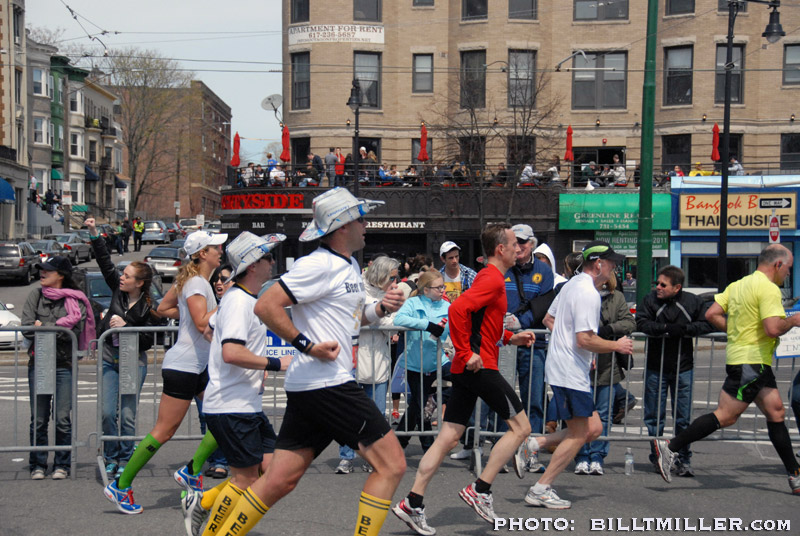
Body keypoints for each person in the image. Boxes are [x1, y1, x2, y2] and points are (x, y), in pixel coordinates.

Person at [210, 187, 407, 536]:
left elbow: (347, 319)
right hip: (327, 384)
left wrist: (379, 309)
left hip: (313, 386)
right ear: (342, 225)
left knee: (279, 481)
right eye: (360, 218)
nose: (366, 224)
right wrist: (307, 346)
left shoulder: (347, 264)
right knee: (392, 465)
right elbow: (266, 304)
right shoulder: (317, 263)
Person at [392, 224, 535, 533]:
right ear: (500, 249)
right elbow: (458, 310)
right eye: (514, 244)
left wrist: (510, 338)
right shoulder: (493, 278)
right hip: (478, 366)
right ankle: (480, 491)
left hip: (469, 365)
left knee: (448, 437)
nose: (518, 249)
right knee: (522, 428)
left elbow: (481, 322)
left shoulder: (489, 277)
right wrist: (466, 352)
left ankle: (412, 503)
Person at [653, 244, 800, 494]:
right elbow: (773, 328)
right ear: (777, 265)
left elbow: (712, 313)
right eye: (788, 269)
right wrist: (794, 320)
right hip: (751, 362)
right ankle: (669, 446)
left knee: (776, 412)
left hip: (750, 360)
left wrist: (735, 332)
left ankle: (795, 475)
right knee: (726, 416)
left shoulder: (739, 284)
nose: (788, 274)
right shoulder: (768, 289)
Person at [104, 230, 228, 514]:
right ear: (202, 254)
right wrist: (229, 306)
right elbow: (200, 323)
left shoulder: (194, 280)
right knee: (164, 431)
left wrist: (190, 312)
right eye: (215, 247)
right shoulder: (196, 282)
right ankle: (120, 486)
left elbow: (162, 308)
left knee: (224, 418)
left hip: (199, 364)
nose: (220, 251)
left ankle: (191, 471)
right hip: (184, 365)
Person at [522, 241, 633, 509]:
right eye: (611, 263)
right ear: (598, 264)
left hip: (566, 368)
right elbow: (584, 339)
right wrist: (617, 345)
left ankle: (533, 444)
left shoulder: (571, 284)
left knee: (593, 429)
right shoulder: (587, 292)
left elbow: (549, 318)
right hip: (570, 372)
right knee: (579, 434)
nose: (614, 268)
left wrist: (563, 342)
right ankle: (540, 488)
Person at [194, 232, 290, 536]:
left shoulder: (245, 299)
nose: (272, 261)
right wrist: (274, 364)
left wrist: (252, 366)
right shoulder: (237, 301)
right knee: (246, 480)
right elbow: (231, 351)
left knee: (270, 471)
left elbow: (211, 330)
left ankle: (205, 500)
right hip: (230, 405)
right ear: (252, 266)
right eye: (267, 257)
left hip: (245, 403)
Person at [86, 217, 158, 480]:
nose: (122, 278)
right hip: (108, 358)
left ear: (139, 283)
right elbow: (105, 262)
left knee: (127, 414)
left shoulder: (149, 305)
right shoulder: (117, 293)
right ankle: (111, 456)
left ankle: (126, 458)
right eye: (123, 274)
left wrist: (126, 325)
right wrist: (94, 232)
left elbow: (150, 341)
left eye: (127, 276)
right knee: (107, 412)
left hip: (133, 362)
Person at [22, 256, 95, 480]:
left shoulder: (76, 300)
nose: (42, 273)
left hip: (64, 364)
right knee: (39, 418)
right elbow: (26, 329)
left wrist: (42, 326)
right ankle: (38, 464)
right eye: (41, 270)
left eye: (48, 270)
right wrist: (54, 329)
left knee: (62, 417)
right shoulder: (35, 295)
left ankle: (62, 464)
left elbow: (73, 333)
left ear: (61, 275)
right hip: (39, 363)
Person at [637, 265, 712, 477]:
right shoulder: (650, 300)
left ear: (677, 287)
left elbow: (707, 324)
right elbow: (641, 322)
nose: (658, 287)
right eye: (657, 283)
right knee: (654, 417)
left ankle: (683, 458)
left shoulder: (692, 301)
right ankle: (658, 457)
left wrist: (685, 330)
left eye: (663, 284)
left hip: (683, 367)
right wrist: (665, 329)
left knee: (683, 418)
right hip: (656, 367)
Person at [337, 255, 401, 474]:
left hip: (378, 357)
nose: (395, 282)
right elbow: (370, 318)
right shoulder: (357, 288)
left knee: (377, 413)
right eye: (392, 277)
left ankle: (373, 456)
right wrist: (386, 314)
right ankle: (346, 457)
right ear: (381, 275)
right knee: (350, 412)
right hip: (354, 357)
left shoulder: (387, 293)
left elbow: (388, 323)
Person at [573, 275, 635, 476]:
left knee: (604, 414)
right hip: (582, 365)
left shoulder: (616, 298)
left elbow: (629, 322)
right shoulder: (581, 294)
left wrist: (609, 329)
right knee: (581, 414)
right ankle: (581, 456)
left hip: (608, 365)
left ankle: (597, 456)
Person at [503, 224, 554, 444]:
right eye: (514, 242)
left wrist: (518, 322)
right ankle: (500, 445)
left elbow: (544, 305)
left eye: (522, 242)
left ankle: (531, 447)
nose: (518, 247)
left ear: (532, 244)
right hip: (504, 342)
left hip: (533, 343)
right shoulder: (503, 268)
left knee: (533, 397)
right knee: (502, 398)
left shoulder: (544, 271)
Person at [392, 270, 451, 453]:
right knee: (419, 405)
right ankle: (427, 448)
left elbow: (451, 327)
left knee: (458, 382)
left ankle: (400, 443)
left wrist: (444, 330)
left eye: (443, 286)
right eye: (438, 287)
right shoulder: (412, 302)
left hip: (438, 361)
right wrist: (426, 325)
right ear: (425, 290)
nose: (442, 290)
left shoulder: (446, 305)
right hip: (415, 364)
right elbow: (398, 319)